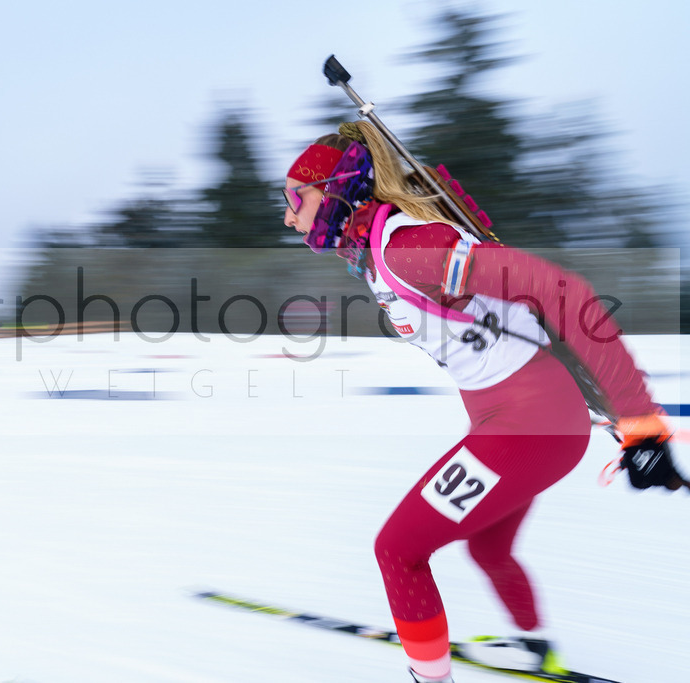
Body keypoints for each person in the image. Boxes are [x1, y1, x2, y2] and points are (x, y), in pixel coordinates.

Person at [282, 121, 688, 683]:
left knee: (398, 551)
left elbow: (562, 292)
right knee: (488, 548)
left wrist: (642, 424)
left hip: (526, 426)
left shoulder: (405, 248)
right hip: (533, 422)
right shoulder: (382, 250)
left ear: (335, 190)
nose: (288, 217)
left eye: (294, 199)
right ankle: (534, 648)